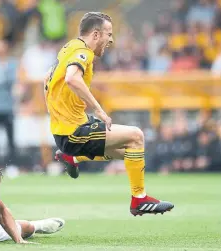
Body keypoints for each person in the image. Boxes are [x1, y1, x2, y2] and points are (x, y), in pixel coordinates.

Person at [44, 12, 174, 216]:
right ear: (96, 35)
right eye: (109, 34)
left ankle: (73, 158)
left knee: (129, 153)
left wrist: (60, 111)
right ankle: (139, 199)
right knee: (136, 136)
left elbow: (48, 79)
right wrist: (97, 109)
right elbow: (71, 79)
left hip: (65, 130)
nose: (111, 39)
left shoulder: (68, 47)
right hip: (73, 131)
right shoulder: (83, 52)